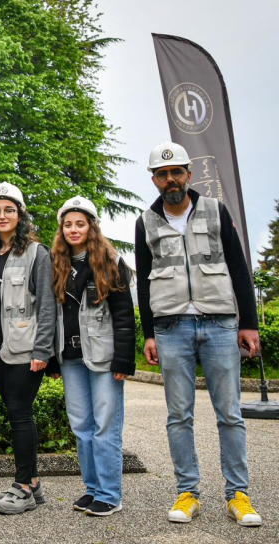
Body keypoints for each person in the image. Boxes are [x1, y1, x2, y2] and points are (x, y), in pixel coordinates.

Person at [135, 141, 262, 527]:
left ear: (189, 174)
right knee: (179, 416)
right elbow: (143, 280)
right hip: (171, 327)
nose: (170, 179)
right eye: (162, 174)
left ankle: (237, 495)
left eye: (177, 172)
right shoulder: (145, 222)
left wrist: (249, 323)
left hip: (220, 324)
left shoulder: (215, 210)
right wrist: (149, 333)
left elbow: (239, 269)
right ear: (154, 180)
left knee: (230, 413)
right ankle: (187, 492)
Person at [0, 182, 55, 515]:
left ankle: (22, 487)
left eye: (9, 209)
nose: (2, 215)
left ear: (20, 214)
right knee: (14, 413)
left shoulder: (37, 253)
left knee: (20, 414)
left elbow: (47, 306)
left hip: (25, 349)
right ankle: (32, 483)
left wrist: (42, 350)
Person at [52, 195, 135, 517]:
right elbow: (54, 316)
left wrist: (123, 360)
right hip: (71, 358)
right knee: (81, 427)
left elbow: (125, 317)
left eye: (80, 224)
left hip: (103, 358)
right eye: (68, 224)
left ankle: (111, 494)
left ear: (91, 227)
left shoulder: (111, 264)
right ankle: (93, 489)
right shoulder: (58, 265)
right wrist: (55, 360)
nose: (74, 229)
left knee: (106, 428)